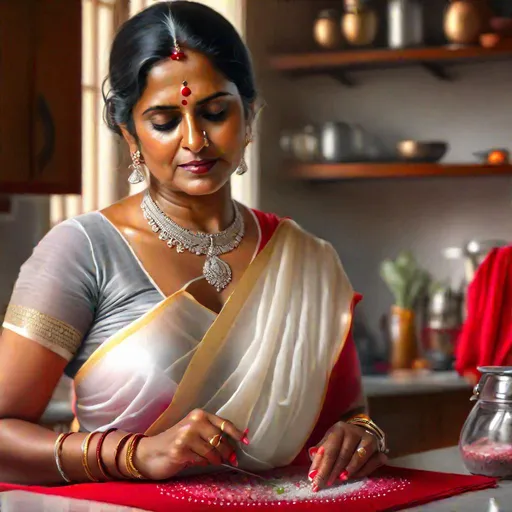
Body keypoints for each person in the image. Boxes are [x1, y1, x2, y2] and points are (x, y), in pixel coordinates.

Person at [0, 0, 387, 496]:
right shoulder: (81, 251)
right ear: (130, 134)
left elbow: (352, 417)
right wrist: (137, 454)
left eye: (215, 112)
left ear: (249, 116)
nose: (196, 139)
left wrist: (360, 436)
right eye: (164, 120)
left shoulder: (309, 260)